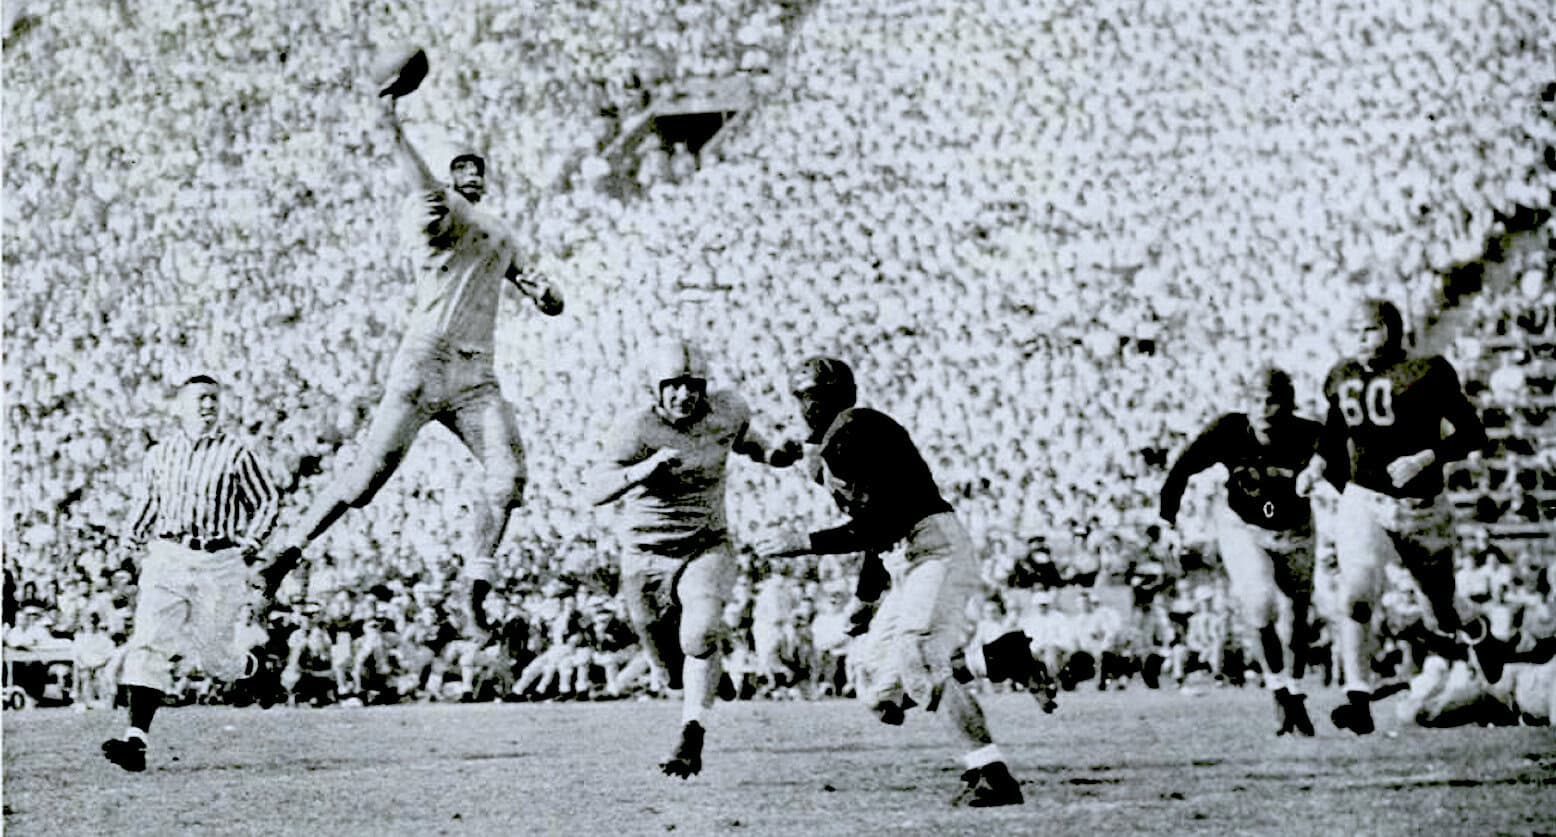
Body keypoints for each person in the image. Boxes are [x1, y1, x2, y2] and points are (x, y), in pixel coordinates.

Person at [262, 88, 565, 624]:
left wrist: (547, 295)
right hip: (427, 360)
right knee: (364, 482)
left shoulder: (499, 232)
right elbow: (421, 184)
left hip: (476, 373)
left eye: (476, 166)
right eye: (460, 167)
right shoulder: (440, 212)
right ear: (449, 177)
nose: (470, 172)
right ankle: (284, 554)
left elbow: (540, 288)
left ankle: (474, 586)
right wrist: (394, 130)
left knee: (509, 479)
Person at [755, 356, 1054, 808]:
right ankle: (1000, 658)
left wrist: (804, 541)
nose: (805, 411)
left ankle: (992, 772)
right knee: (882, 695)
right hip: (906, 558)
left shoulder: (855, 433)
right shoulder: (840, 443)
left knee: (919, 661)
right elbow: (877, 532)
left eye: (811, 399)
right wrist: (865, 599)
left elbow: (883, 523)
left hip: (933, 548)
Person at [585, 339, 799, 778]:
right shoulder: (635, 428)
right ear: (656, 389)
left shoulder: (727, 411)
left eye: (693, 386)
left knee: (700, 634)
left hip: (706, 544)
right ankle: (703, 679)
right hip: (644, 555)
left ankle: (691, 735)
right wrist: (644, 470)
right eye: (674, 386)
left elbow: (751, 445)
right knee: (672, 674)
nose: (685, 395)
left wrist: (779, 455)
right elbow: (596, 489)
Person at [1295, 298, 1500, 735]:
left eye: (1368, 330)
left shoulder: (1428, 370)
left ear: (1390, 329)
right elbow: (1334, 433)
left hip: (1421, 508)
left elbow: (1472, 433)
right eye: (1353, 331)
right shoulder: (1341, 374)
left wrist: (1426, 457)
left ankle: (1477, 630)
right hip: (1363, 498)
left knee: (1441, 613)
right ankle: (1357, 697)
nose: (1359, 339)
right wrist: (1315, 466)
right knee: (1355, 593)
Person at [101, 374, 280, 772]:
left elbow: (267, 502)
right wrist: (130, 538)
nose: (208, 406)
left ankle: (255, 670)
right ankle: (136, 740)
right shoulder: (160, 454)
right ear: (178, 406)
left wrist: (250, 545)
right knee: (149, 642)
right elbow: (148, 502)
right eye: (199, 399)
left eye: (214, 399)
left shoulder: (236, 454)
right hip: (168, 555)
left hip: (218, 560)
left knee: (214, 659)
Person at [1159, 366, 1324, 735]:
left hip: (1296, 529)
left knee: (1297, 614)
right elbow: (1181, 468)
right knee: (1260, 602)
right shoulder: (1229, 430)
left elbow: (1350, 477)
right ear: (1245, 403)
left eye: (1273, 401)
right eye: (1256, 400)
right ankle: (1278, 687)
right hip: (1242, 525)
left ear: (1289, 404)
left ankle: (1295, 690)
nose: (1264, 409)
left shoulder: (1311, 434)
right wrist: (1167, 519)